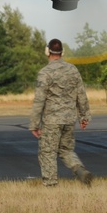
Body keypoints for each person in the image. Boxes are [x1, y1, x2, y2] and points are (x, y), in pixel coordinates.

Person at [29, 38, 93, 187]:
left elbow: (39, 100)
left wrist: (34, 124)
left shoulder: (44, 73)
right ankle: (79, 169)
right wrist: (84, 116)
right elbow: (81, 95)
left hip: (52, 120)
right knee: (66, 150)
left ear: (47, 51)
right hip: (69, 119)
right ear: (62, 52)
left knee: (47, 152)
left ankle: (51, 185)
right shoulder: (73, 70)